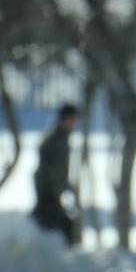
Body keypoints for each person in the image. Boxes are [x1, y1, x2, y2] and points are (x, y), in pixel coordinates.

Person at [32, 105, 80, 245]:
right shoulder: (55, 140)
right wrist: (59, 186)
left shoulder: (63, 138)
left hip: (54, 191)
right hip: (47, 190)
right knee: (58, 225)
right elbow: (48, 169)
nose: (74, 123)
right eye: (71, 120)